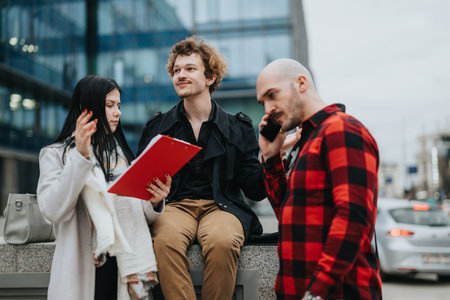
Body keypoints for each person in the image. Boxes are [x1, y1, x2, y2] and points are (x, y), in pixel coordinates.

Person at [136, 36, 267, 299]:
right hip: (174, 206)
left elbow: (255, 190)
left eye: (190, 69)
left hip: (223, 206)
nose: (180, 75)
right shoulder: (157, 127)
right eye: (176, 70)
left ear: (210, 77)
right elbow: (140, 187)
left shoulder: (238, 127)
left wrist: (272, 157)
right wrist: (154, 198)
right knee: (163, 241)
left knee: (223, 241)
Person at [37, 75, 171, 300]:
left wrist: (155, 201)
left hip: (123, 267)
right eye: (109, 106)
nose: (117, 112)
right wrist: (81, 156)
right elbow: (52, 210)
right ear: (86, 108)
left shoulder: (120, 156)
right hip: (83, 270)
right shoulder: (55, 155)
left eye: (118, 105)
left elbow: (136, 214)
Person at [256, 59, 382, 300]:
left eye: (272, 95)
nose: (268, 108)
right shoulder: (307, 142)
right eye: (263, 102)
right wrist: (272, 157)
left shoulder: (341, 130)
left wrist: (317, 291)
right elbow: (290, 216)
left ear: (301, 83)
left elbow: (353, 218)